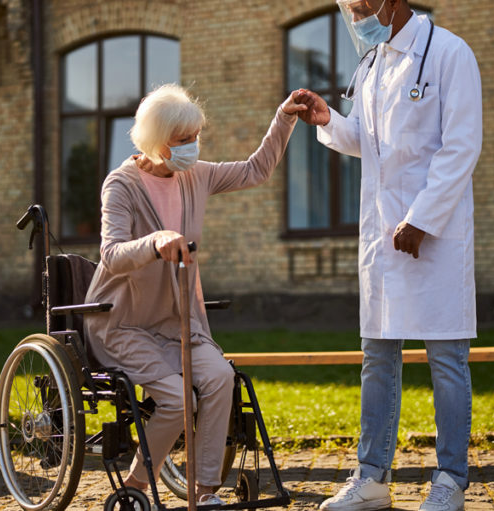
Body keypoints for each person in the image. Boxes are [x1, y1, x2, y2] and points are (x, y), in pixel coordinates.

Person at [295, 1, 482, 510]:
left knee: (446, 358)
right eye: (349, 8)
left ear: (392, 2)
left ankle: (450, 481)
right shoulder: (373, 63)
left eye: (360, 8)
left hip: (434, 237)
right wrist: (327, 118)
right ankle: (372, 477)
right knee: (377, 358)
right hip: (383, 236)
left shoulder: (448, 53)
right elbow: (369, 142)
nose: (355, 18)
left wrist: (422, 220)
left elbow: (461, 146)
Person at [83, 84, 306, 506]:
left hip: (178, 321)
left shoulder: (196, 174)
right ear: (156, 142)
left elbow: (256, 169)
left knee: (220, 379)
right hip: (123, 323)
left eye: (195, 136)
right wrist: (155, 241)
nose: (192, 146)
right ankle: (137, 484)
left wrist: (285, 117)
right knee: (175, 398)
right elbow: (111, 256)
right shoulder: (121, 185)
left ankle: (205, 492)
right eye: (181, 140)